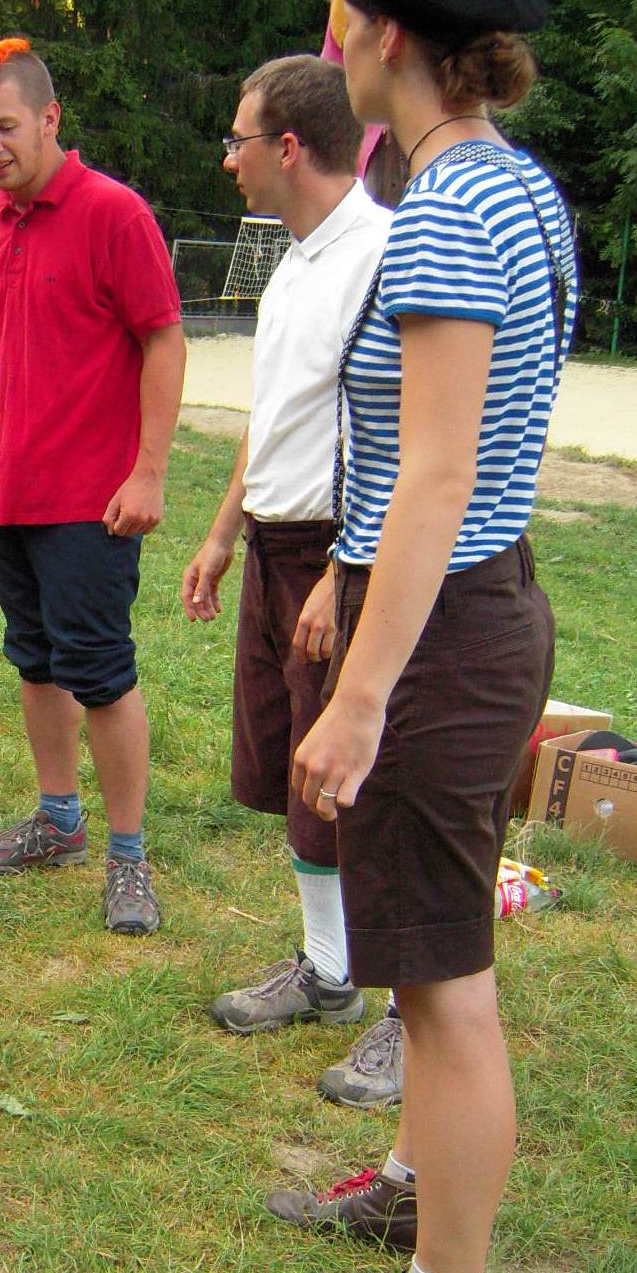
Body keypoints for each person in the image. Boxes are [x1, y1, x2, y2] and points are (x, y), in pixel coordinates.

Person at [264, 0, 577, 1273]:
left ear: (385, 35)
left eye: (341, 11)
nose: (331, 34)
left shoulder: (448, 206)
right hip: (474, 606)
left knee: (446, 985)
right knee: (424, 953)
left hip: (443, 629)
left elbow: (439, 471)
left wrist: (362, 693)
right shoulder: (510, 185)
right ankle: (409, 1184)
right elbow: (435, 457)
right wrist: (350, 587)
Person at [0, 40, 186, 935]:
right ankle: (58, 821)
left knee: (100, 673)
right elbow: (12, 330)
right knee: (36, 661)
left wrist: (148, 471)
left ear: (49, 118)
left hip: (90, 501)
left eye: (5, 127)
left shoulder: (113, 214)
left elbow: (162, 338)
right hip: (4, 490)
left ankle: (127, 857)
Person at [179, 55, 404, 1108]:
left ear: (287, 146)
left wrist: (344, 571)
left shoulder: (380, 255)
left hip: (339, 552)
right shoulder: (293, 265)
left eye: (236, 139)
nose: (226, 158)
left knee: (364, 781)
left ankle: (404, 1006)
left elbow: (401, 437)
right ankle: (327, 971)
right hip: (275, 545)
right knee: (292, 772)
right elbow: (273, 420)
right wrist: (223, 533)